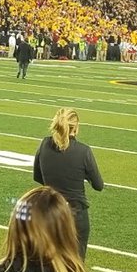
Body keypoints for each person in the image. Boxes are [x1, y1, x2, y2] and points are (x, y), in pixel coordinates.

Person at [33, 108, 104, 257]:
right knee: (75, 263)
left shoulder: (44, 144)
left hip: (51, 211)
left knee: (50, 261)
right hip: (75, 215)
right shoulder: (83, 151)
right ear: (76, 127)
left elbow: (38, 177)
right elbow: (98, 185)